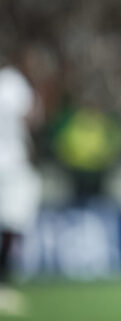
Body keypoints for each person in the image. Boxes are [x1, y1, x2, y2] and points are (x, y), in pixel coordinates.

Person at [0, 62, 42, 316]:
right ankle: (3, 280)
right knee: (14, 222)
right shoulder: (13, 82)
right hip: (12, 163)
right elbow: (31, 119)